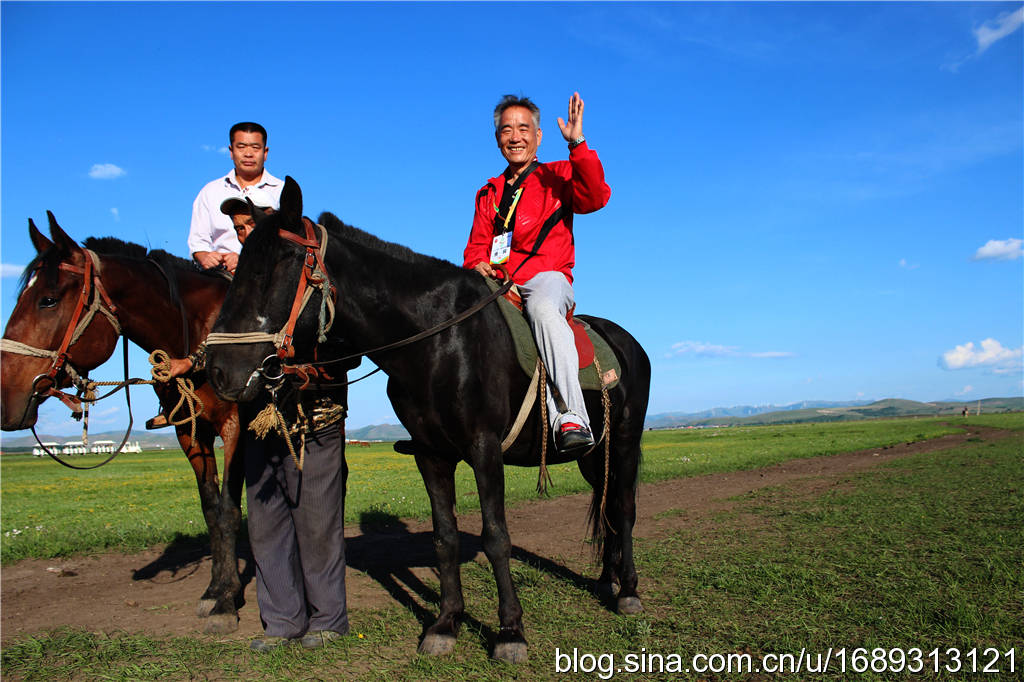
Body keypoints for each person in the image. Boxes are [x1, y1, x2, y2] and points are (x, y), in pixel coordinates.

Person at [172, 198, 351, 652]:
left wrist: (308, 369)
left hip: (316, 414)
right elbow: (222, 342)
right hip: (262, 417)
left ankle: (328, 620)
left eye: (252, 223)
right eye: (237, 226)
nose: (244, 232)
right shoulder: (241, 289)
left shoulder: (311, 277)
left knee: (315, 518)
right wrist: (189, 362)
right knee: (267, 523)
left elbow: (343, 339)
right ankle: (282, 623)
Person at [463, 92, 611, 454]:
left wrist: (577, 144)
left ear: (539, 136)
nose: (515, 137)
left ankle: (572, 416)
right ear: (497, 138)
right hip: (498, 285)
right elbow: (474, 248)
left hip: (546, 277)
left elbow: (595, 197)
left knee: (543, 309)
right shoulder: (488, 193)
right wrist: (476, 265)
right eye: (506, 130)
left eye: (523, 128)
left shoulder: (559, 174)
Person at [188, 122, 283, 274]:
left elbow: (290, 244)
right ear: (231, 151)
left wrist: (246, 259)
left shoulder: (282, 191)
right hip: (219, 276)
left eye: (255, 147)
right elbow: (198, 242)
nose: (248, 154)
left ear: (265, 153)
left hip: (268, 276)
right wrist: (205, 256)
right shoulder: (210, 191)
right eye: (241, 147)